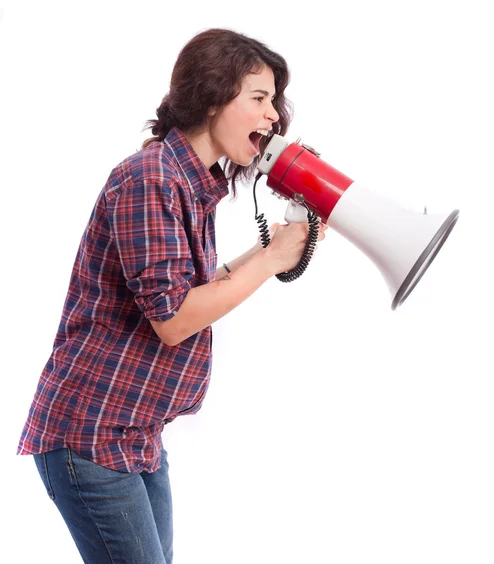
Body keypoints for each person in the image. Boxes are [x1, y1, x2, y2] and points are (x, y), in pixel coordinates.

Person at [17, 28, 327, 564]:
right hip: (92, 434)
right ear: (212, 98)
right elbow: (175, 319)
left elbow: (193, 289)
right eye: (259, 98)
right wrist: (275, 260)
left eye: (274, 101)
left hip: (135, 432)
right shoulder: (150, 178)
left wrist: (271, 251)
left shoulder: (190, 185)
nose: (273, 115)